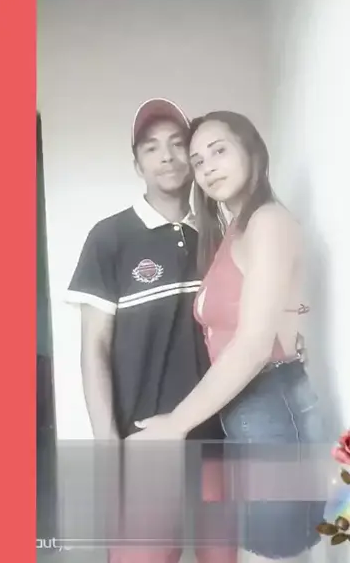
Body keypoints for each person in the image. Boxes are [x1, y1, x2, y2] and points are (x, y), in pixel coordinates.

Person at [134, 111, 328, 561]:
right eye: (198, 161)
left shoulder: (268, 221)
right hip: (248, 412)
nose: (208, 168)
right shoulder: (235, 230)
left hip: (272, 408)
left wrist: (175, 425)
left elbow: (254, 344)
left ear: (252, 151)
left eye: (219, 151)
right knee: (263, 547)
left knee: (279, 551)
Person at [66, 99, 237, 563]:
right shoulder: (110, 237)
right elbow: (94, 348)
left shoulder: (218, 233)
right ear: (137, 163)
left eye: (177, 144)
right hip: (141, 444)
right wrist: (108, 447)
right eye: (151, 147)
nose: (166, 156)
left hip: (216, 440)